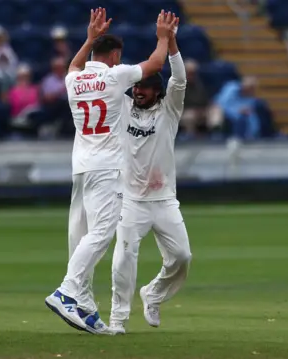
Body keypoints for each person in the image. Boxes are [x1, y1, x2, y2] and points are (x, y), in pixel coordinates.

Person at [44, 8, 178, 335]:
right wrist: (163, 38)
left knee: (82, 237)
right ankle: (67, 290)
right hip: (107, 169)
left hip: (80, 169)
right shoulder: (114, 76)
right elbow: (155, 65)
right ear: (115, 56)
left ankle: (86, 306)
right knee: (102, 235)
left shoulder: (74, 79)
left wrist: (88, 38)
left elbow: (74, 64)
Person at [108, 19, 191, 335]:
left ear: (158, 90)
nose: (138, 91)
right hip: (131, 201)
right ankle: (118, 319)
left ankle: (153, 294)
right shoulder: (124, 107)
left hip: (164, 200)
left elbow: (179, 80)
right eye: (136, 87)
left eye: (145, 88)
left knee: (182, 256)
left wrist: (170, 43)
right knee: (122, 260)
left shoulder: (169, 110)